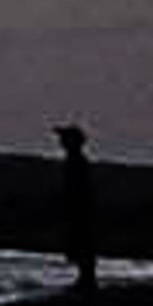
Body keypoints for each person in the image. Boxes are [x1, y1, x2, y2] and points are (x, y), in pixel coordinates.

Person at [57, 123, 98, 296]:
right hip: (78, 209)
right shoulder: (75, 161)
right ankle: (85, 280)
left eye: (64, 138)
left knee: (80, 242)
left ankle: (87, 280)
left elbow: (77, 189)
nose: (61, 142)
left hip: (78, 210)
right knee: (79, 243)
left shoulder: (76, 162)